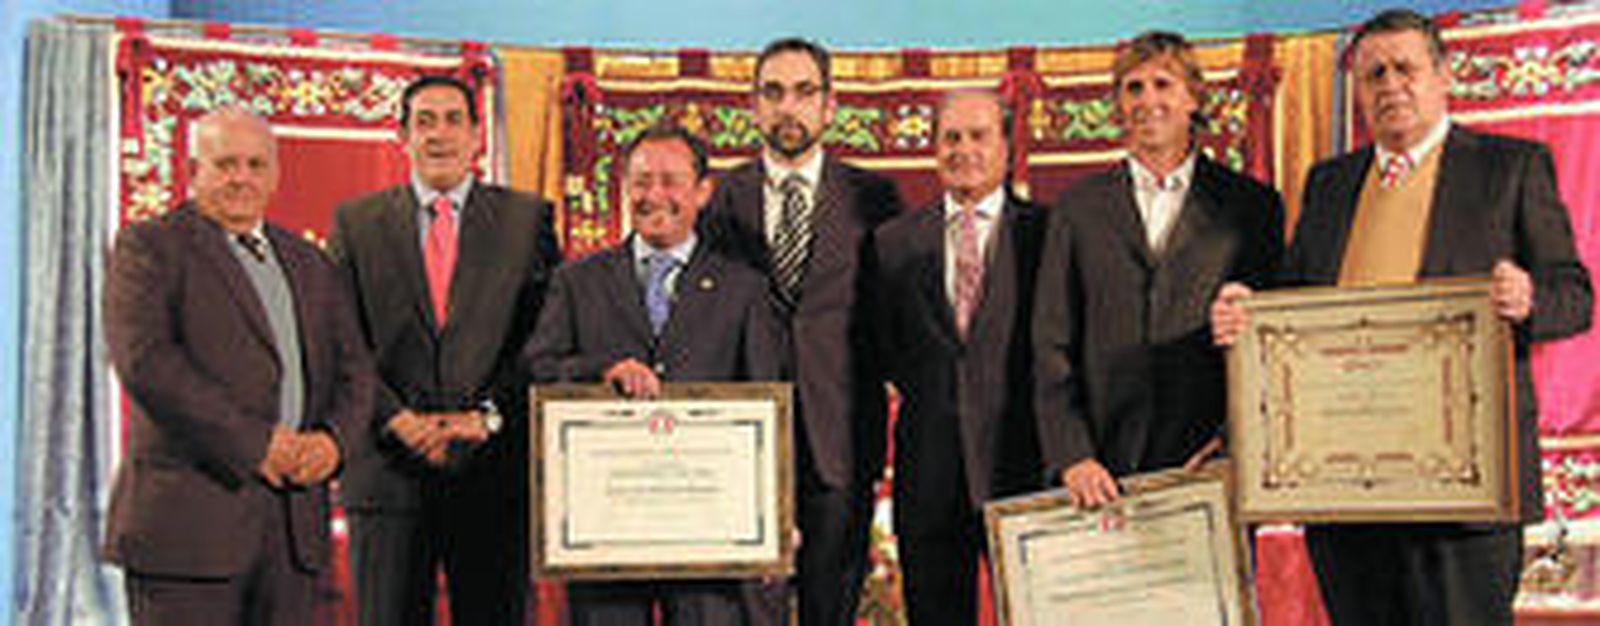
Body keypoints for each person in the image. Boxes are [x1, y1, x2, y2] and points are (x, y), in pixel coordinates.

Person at [1211, 9, 1592, 625]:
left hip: (1468, 491)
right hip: (1345, 486)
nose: (1390, 85)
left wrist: (1529, 298)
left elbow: (1574, 295)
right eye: (1373, 74)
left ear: (1444, 77)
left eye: (1406, 69)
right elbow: (1295, 304)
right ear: (1358, 91)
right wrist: (1245, 315)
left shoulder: (1511, 166)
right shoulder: (1330, 183)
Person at [103, 108, 371, 626]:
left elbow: (355, 370)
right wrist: (255, 443)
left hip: (293, 529)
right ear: (192, 172)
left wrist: (334, 443)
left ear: (275, 173)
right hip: (187, 531)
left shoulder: (310, 262)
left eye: (255, 164)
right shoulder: (150, 247)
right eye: (225, 163)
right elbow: (147, 362)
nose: (241, 177)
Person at [525, 124, 783, 626]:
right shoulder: (577, 280)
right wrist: (601, 372)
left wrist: (773, 511)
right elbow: (537, 369)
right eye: (642, 181)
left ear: (703, 192)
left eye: (671, 181)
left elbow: (767, 405)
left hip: (711, 536)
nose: (654, 195)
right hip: (606, 531)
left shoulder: (743, 289)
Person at [329, 74, 563, 626]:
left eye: (454, 119)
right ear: (401, 136)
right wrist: (399, 420)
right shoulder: (356, 223)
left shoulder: (527, 219)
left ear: (477, 135)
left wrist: (485, 419)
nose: (439, 135)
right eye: (424, 121)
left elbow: (545, 340)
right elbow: (342, 341)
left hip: (491, 473)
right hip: (387, 474)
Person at [1034, 31, 1284, 508]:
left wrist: (1233, 442)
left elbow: (1273, 341)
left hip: (1210, 465)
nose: (1148, 100)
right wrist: (1073, 456)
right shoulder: (1076, 210)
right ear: (1117, 105)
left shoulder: (1252, 208)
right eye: (1133, 87)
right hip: (1100, 474)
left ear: (1193, 97)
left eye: (1163, 84)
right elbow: (1051, 347)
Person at [702, 37, 904, 625]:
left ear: (830, 105)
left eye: (803, 92)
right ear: (753, 106)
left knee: (832, 604)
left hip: (839, 436)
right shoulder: (718, 200)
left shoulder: (874, 198)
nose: (788, 107)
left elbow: (891, 321)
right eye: (773, 93)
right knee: (744, 608)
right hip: (741, 438)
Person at [871, 89, 1044, 626]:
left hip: (1029, 472)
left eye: (978, 135)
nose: (963, 149)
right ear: (934, 147)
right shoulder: (892, 243)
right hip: (930, 481)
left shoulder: (1050, 232)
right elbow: (886, 352)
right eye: (951, 137)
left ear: (1007, 145)